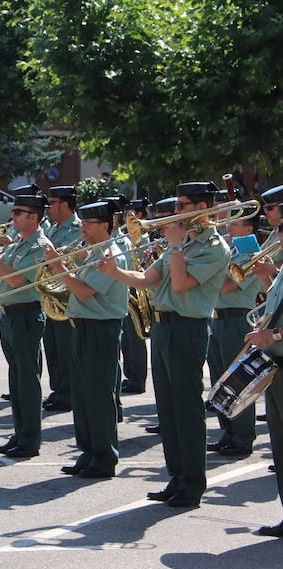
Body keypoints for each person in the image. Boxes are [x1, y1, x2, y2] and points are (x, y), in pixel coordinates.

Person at [99, 181, 231, 507]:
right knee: (168, 409)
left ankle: (193, 483)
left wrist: (174, 246)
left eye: (181, 205)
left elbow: (183, 284)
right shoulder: (183, 241)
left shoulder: (215, 247)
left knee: (186, 409)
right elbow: (147, 279)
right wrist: (115, 272)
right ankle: (177, 476)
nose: (175, 211)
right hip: (162, 328)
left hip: (188, 329)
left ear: (202, 208)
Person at [47, 201, 128, 477]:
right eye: (82, 222)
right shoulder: (90, 252)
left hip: (100, 329)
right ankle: (88, 451)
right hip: (81, 327)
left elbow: (83, 291)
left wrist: (59, 266)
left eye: (88, 223)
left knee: (99, 396)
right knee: (82, 396)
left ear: (105, 225)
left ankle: (104, 457)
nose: (82, 227)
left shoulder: (110, 255)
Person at [0, 189, 51, 458]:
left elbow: (17, 279)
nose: (13, 216)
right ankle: (19, 434)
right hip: (9, 315)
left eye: (18, 212)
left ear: (33, 217)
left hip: (26, 315)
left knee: (27, 381)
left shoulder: (40, 246)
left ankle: (30, 440)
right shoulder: (18, 242)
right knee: (16, 380)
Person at [206, 214, 263, 456]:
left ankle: (243, 436)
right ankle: (228, 432)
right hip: (218, 318)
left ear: (249, 229)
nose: (228, 227)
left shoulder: (252, 255)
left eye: (235, 224)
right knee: (220, 379)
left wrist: (212, 262)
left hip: (237, 319)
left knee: (237, 381)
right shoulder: (231, 251)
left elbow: (227, 286)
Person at [244, 229, 283, 536]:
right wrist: (267, 280)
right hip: (277, 365)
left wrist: (274, 335)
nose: (278, 234)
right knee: (279, 446)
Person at [42, 185, 81, 412]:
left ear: (64, 205)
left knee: (65, 347)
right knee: (53, 346)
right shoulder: (53, 228)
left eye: (52, 204)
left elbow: (67, 255)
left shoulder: (77, 228)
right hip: (50, 295)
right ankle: (58, 389)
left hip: (66, 296)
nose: (48, 209)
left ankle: (68, 393)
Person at [120, 197, 151, 394]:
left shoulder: (142, 238)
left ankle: (138, 379)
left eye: (128, 215)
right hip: (128, 285)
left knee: (135, 336)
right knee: (127, 338)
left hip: (137, 288)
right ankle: (130, 375)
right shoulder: (129, 236)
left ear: (138, 215)